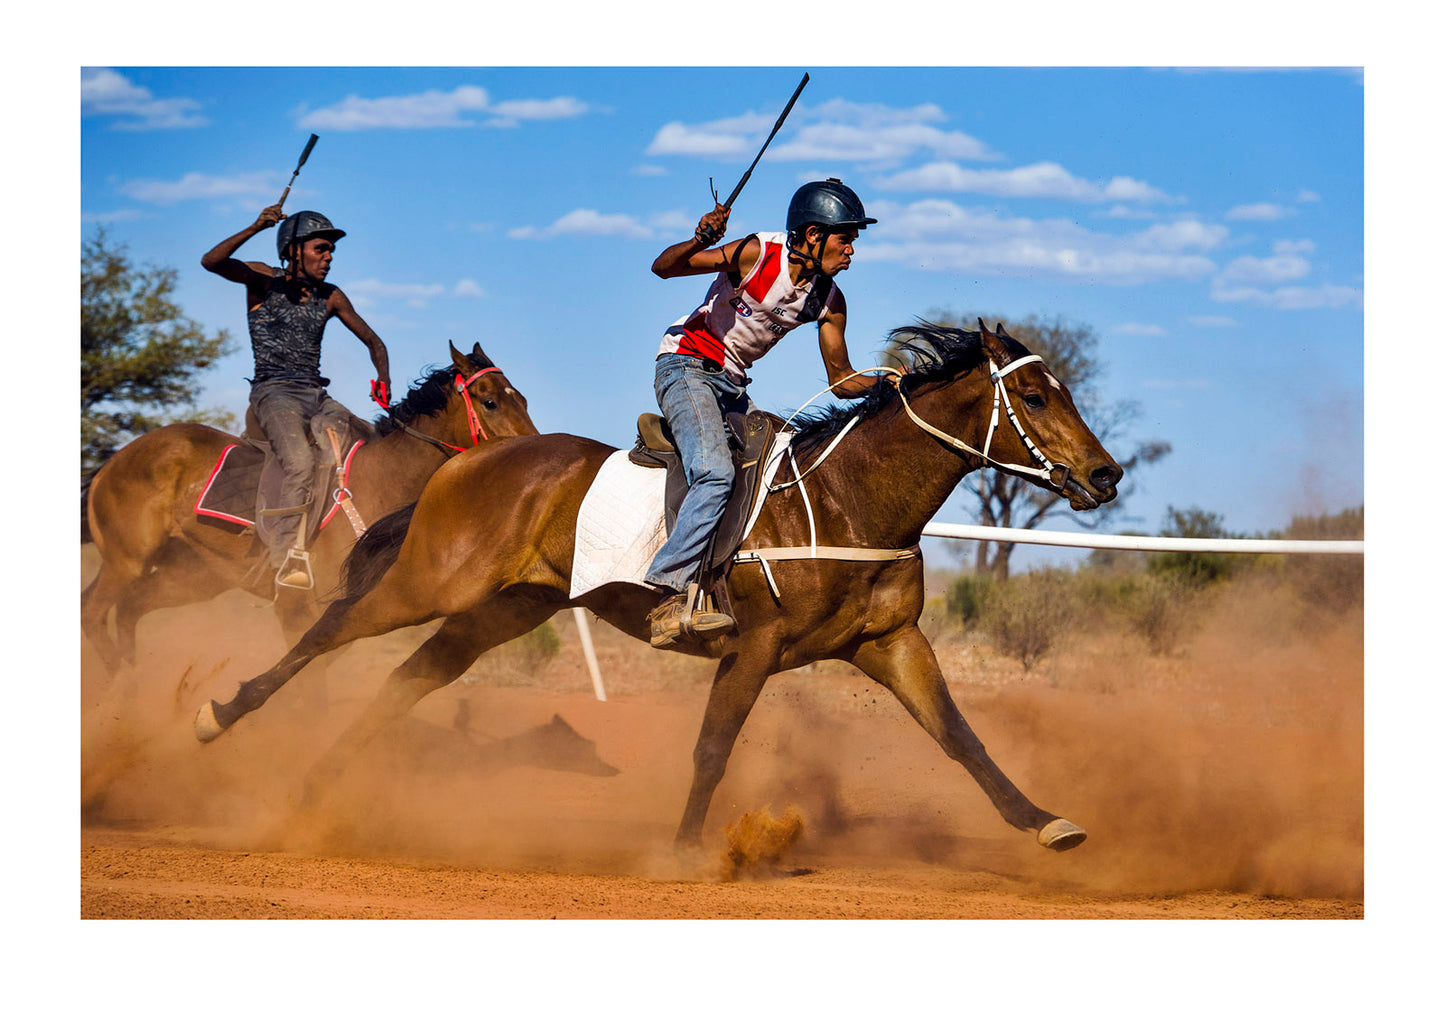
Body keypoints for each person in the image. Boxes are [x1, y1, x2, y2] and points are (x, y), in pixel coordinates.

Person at [643, 178, 878, 648]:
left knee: (779, 475)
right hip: (685, 367)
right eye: (844, 238)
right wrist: (701, 239)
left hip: (732, 387)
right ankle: (668, 596)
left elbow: (842, 379)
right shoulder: (755, 253)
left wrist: (894, 381)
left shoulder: (829, 302)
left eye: (853, 240)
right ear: (812, 235)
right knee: (713, 474)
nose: (852, 250)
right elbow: (663, 268)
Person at [202, 206, 391, 588]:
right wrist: (257, 225)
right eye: (321, 249)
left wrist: (383, 378)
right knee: (302, 462)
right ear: (293, 250)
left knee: (372, 444)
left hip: (317, 396)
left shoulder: (331, 296)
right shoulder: (260, 280)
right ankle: (287, 556)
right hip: (273, 394)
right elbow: (211, 261)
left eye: (331, 251)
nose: (329, 257)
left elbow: (374, 341)